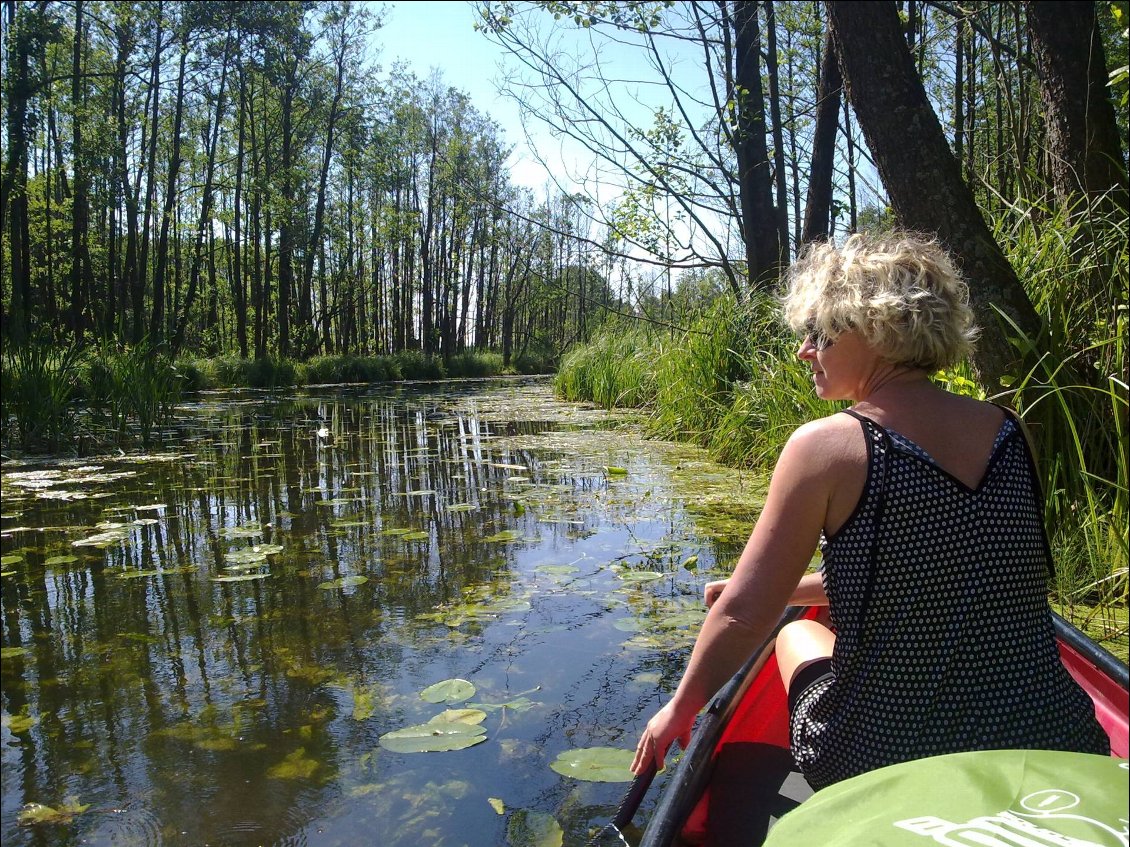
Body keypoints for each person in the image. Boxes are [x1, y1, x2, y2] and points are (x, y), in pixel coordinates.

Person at [630, 232, 1109, 790]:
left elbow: (742, 615)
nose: (805, 351)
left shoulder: (825, 447)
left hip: (883, 756)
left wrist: (681, 709)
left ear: (878, 330)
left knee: (791, 638)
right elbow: (926, 570)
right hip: (1053, 736)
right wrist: (789, 589)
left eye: (820, 334)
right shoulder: (1010, 430)